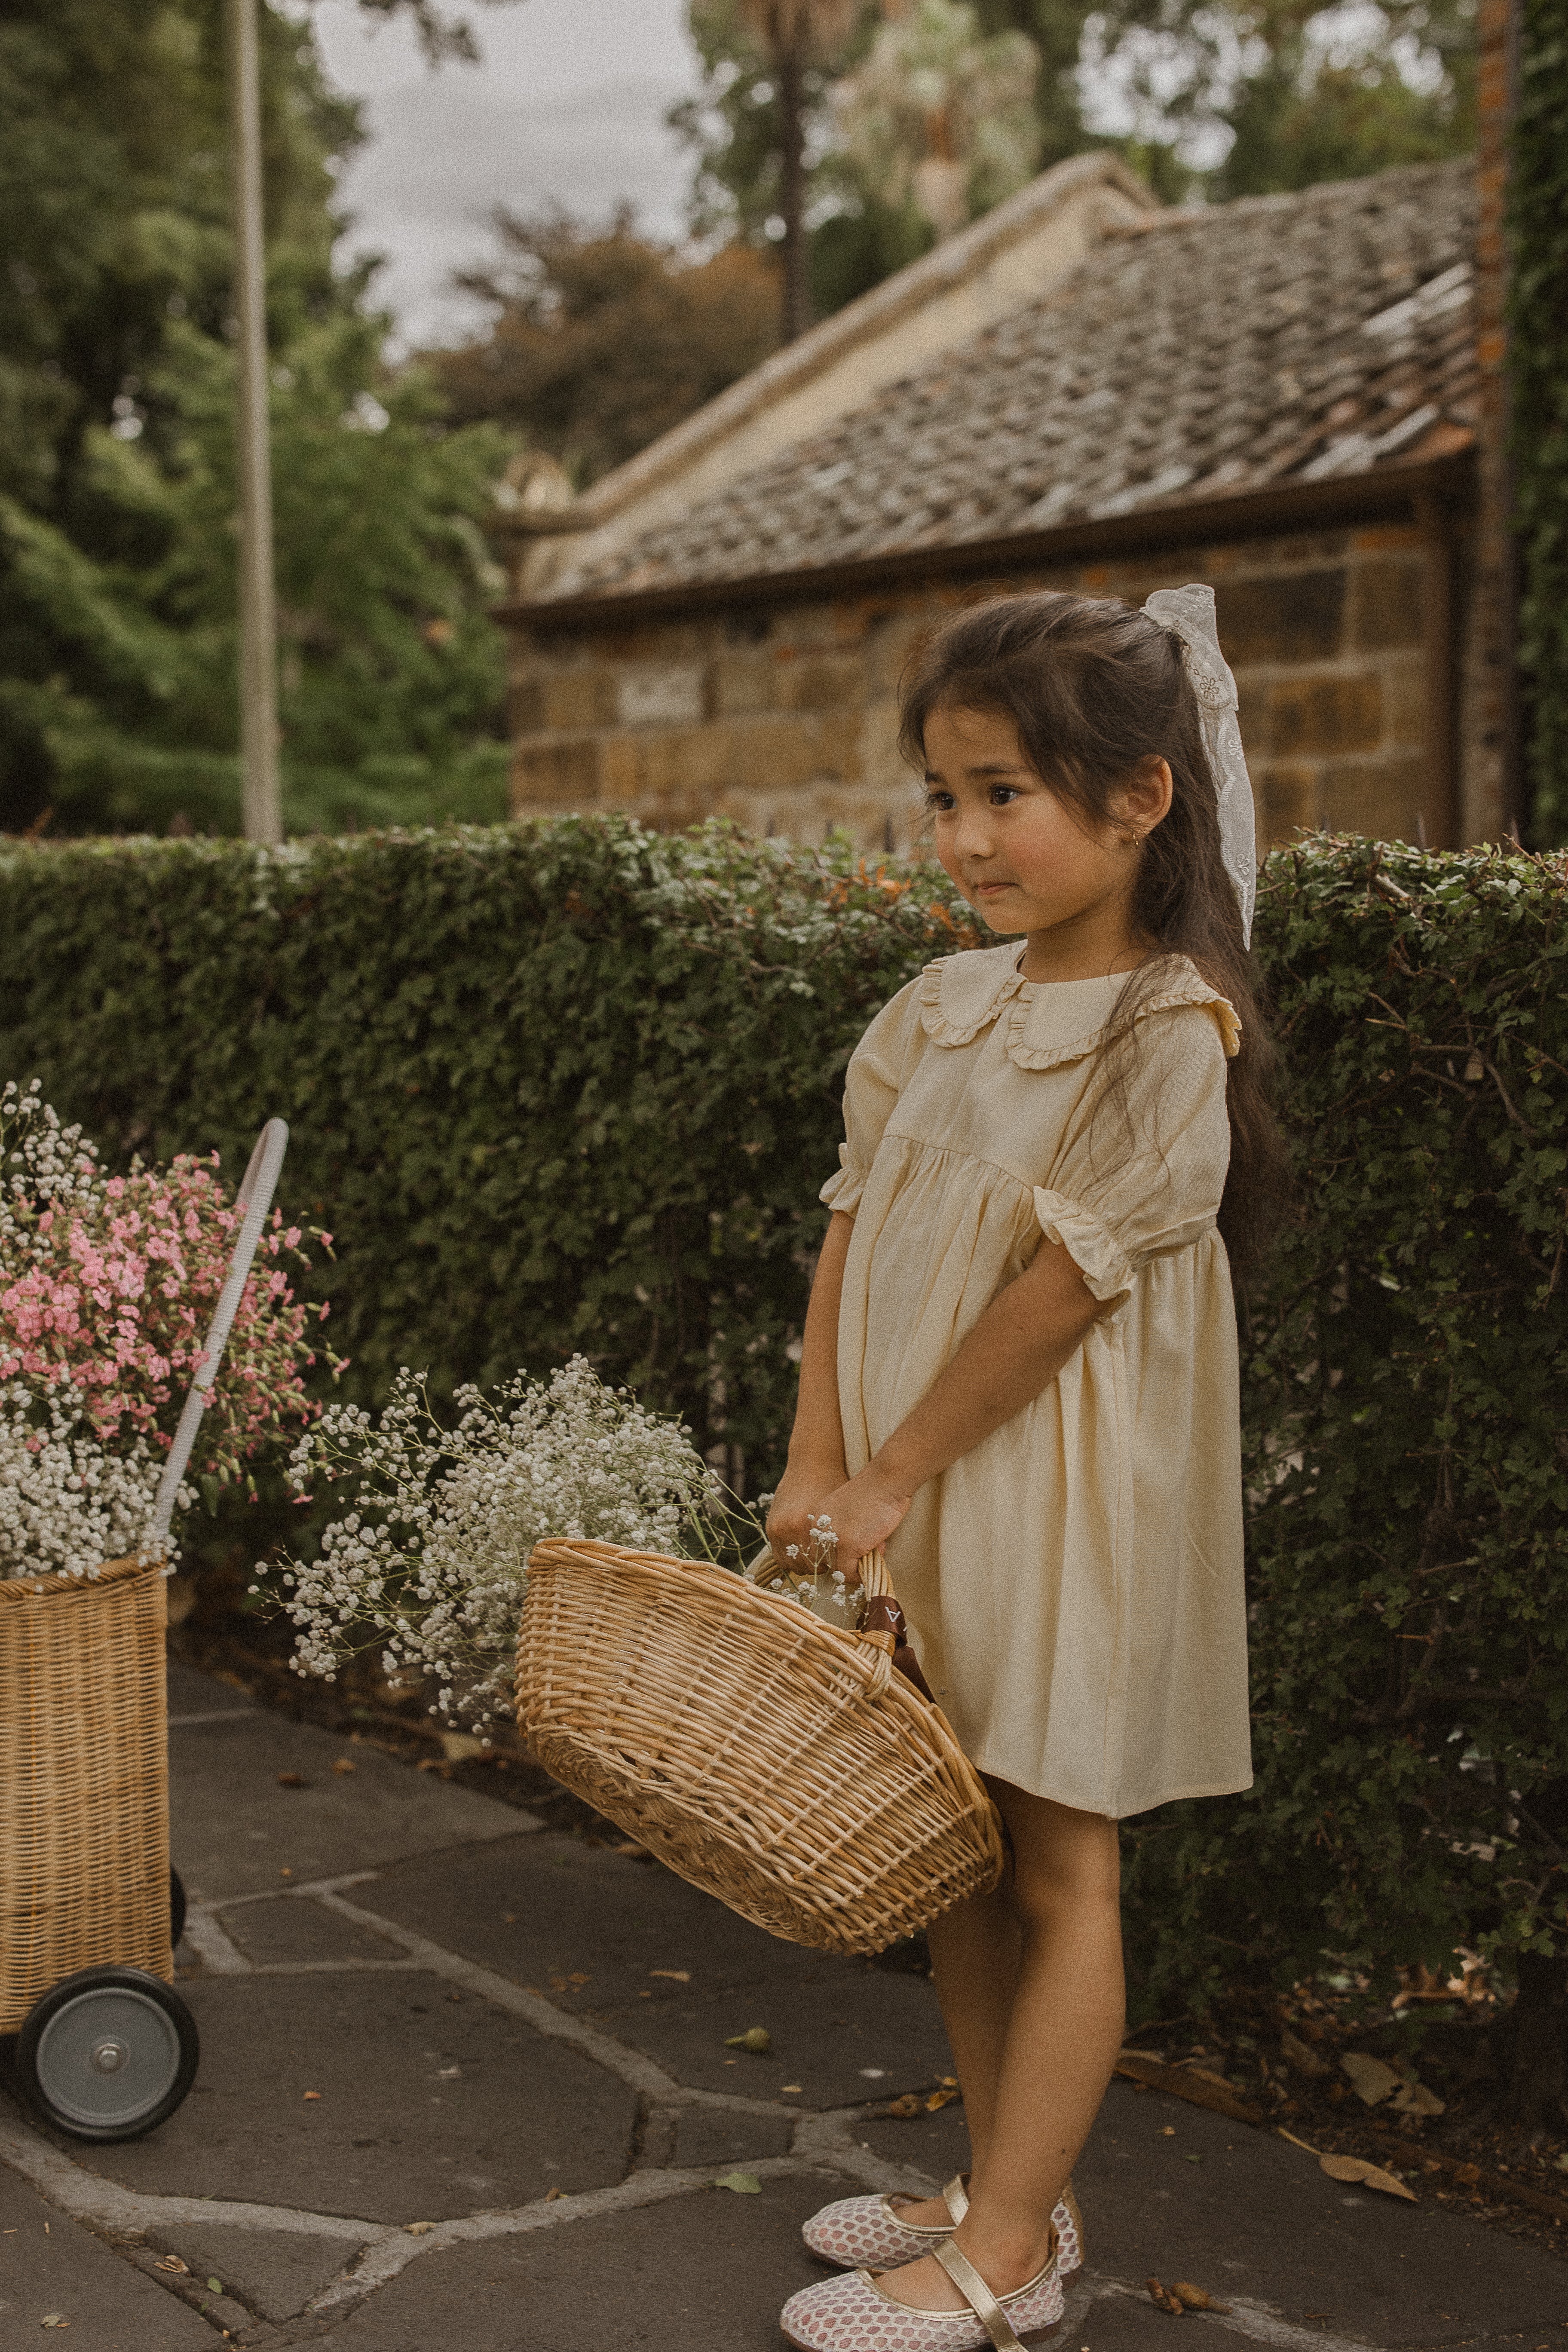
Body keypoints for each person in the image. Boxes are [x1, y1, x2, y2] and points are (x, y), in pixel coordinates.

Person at [768, 588, 1287, 2352]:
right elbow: (853, 1226)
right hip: (908, 1484)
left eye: (1005, 794)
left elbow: (1065, 1294)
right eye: (944, 797)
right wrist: (820, 1456)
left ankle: (1007, 2256)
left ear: (1140, 798)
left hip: (1043, 1498)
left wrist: (898, 1468)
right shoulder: (940, 1006)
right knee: (954, 1849)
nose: (965, 838)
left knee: (1057, 1864)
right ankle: (1007, 2179)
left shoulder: (1167, 1029)